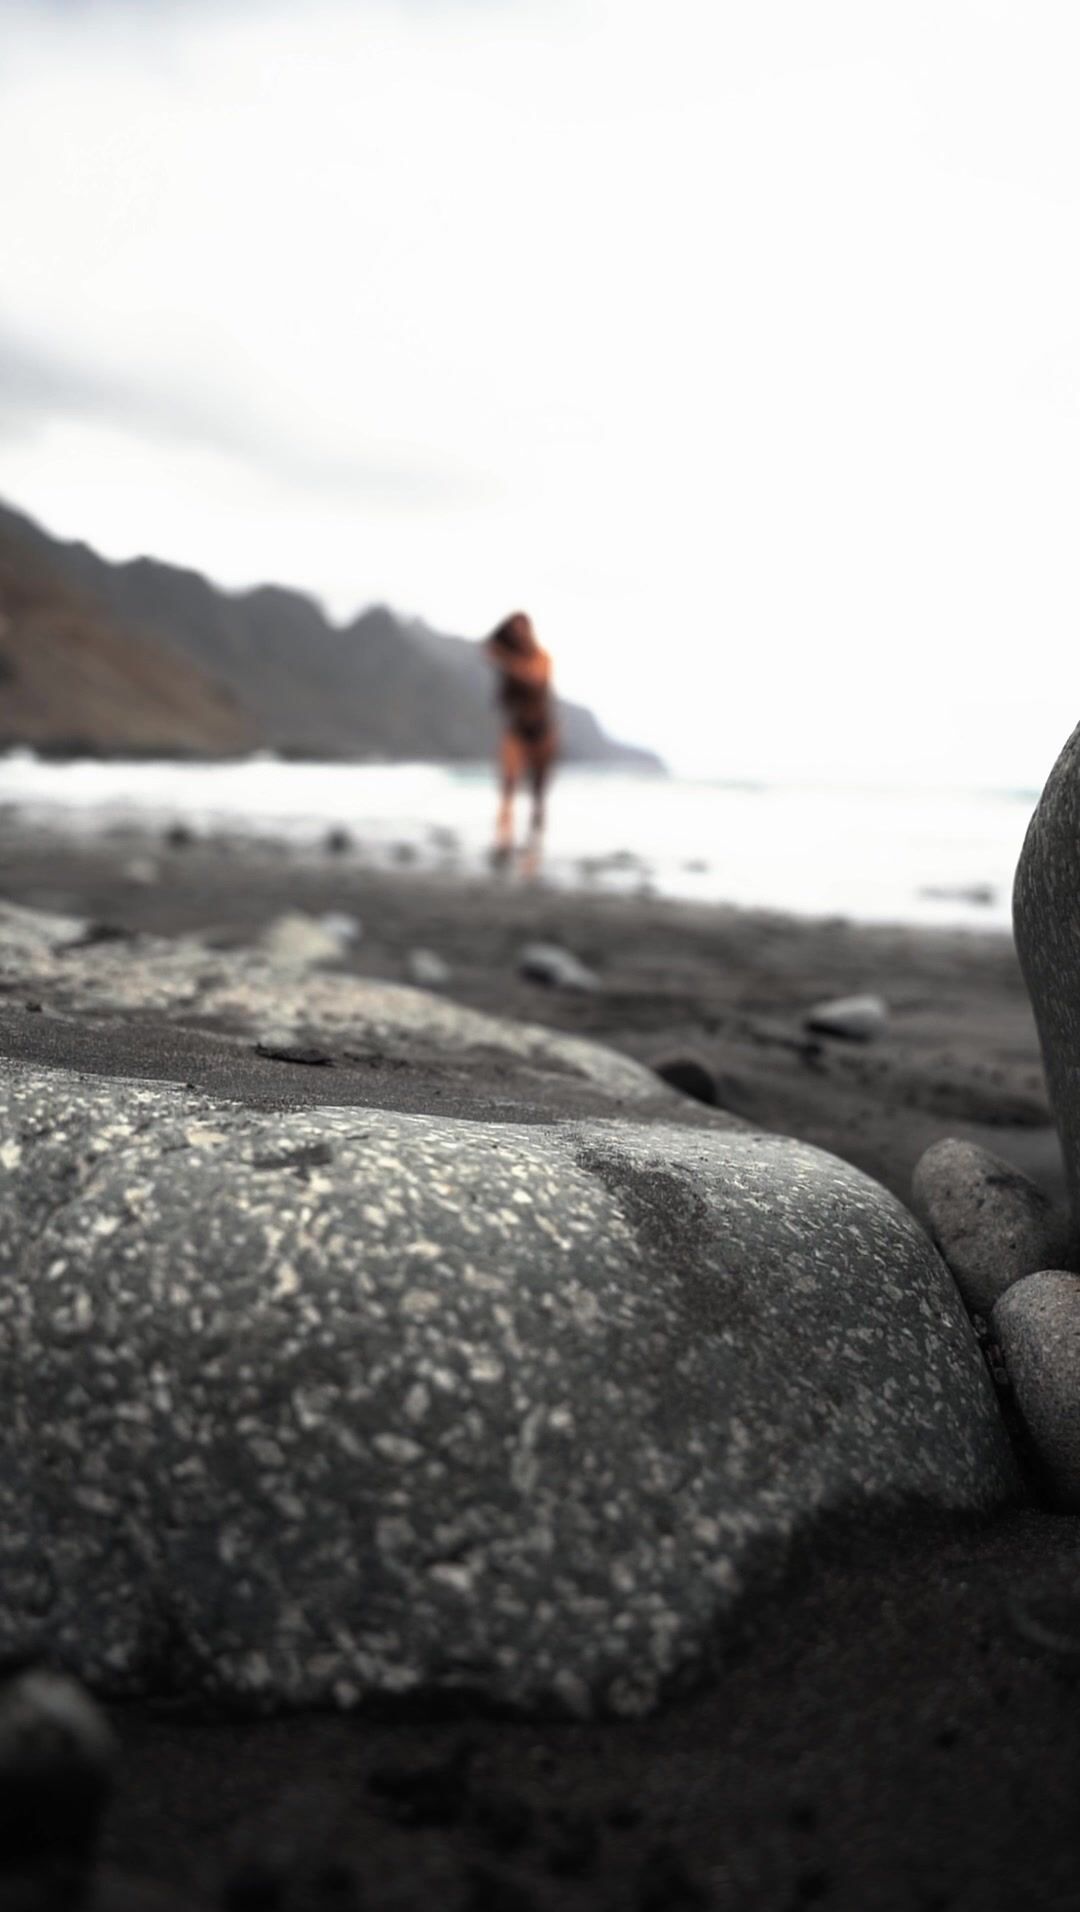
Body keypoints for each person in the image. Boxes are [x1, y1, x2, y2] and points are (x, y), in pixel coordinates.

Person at [485, 611, 557, 876]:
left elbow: (536, 680)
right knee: (508, 786)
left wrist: (504, 658)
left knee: (538, 793)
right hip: (516, 729)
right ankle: (503, 842)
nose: (519, 635)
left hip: (543, 731)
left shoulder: (541, 658)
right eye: (514, 631)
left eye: (522, 629)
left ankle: (534, 844)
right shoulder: (508, 664)